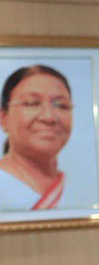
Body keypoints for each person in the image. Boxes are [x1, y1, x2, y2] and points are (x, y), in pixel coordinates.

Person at [0, 65, 73, 210]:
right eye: (32, 103)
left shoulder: (85, 189)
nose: (49, 117)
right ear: (4, 118)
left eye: (61, 105)